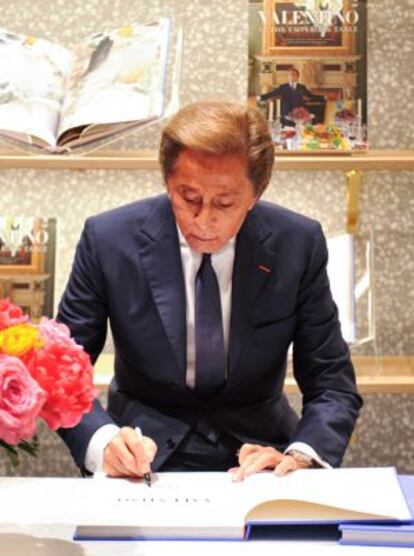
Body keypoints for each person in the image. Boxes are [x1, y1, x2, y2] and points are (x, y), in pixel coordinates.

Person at [57, 100, 362, 481]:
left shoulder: (297, 243)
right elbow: (62, 370)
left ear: (255, 195)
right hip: (139, 453)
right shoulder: (108, 240)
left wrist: (301, 456)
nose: (203, 220)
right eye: (189, 198)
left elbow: (332, 381)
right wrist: (102, 442)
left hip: (261, 455)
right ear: (168, 183)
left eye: (225, 203)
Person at [258, 67, 326, 127]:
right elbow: (273, 94)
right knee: (288, 131)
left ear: (297, 77)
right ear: (288, 77)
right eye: (290, 75)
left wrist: (323, 98)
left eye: (294, 75)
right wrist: (261, 97)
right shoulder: (283, 87)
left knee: (299, 131)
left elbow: (311, 96)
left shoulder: (302, 87)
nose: (292, 76)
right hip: (286, 114)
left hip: (299, 115)